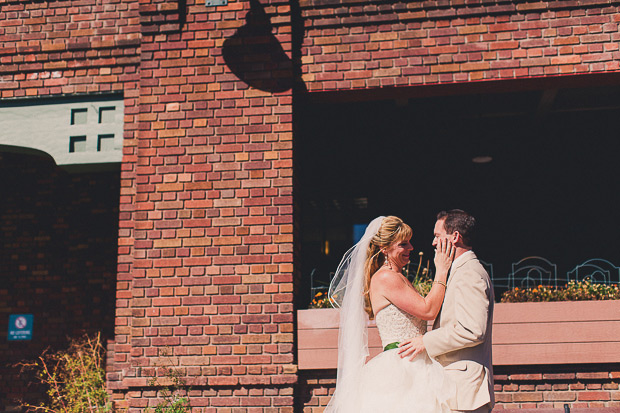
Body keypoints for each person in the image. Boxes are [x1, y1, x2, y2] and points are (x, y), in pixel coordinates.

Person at [326, 216, 456, 412]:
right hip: (403, 368)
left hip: (416, 361)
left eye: (410, 242)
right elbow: (428, 310)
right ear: (385, 248)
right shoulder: (386, 277)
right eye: (403, 244)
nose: (411, 248)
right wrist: (442, 270)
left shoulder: (397, 276)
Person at [398, 210, 495, 413]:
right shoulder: (460, 271)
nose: (433, 243)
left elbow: (472, 330)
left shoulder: (469, 273)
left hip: (466, 393)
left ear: (455, 237)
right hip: (456, 390)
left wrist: (425, 341)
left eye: (438, 236)